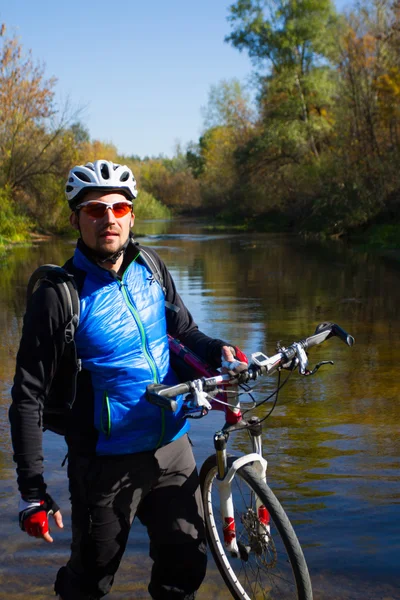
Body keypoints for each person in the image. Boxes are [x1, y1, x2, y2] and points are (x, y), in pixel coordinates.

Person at [9, 159, 248, 600]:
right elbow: (27, 396)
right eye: (96, 209)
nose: (109, 219)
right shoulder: (59, 295)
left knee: (187, 562)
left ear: (132, 216)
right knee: (92, 578)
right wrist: (32, 493)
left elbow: (184, 331)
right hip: (104, 461)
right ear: (75, 218)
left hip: (173, 448)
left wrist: (219, 351)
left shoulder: (151, 268)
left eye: (118, 209)